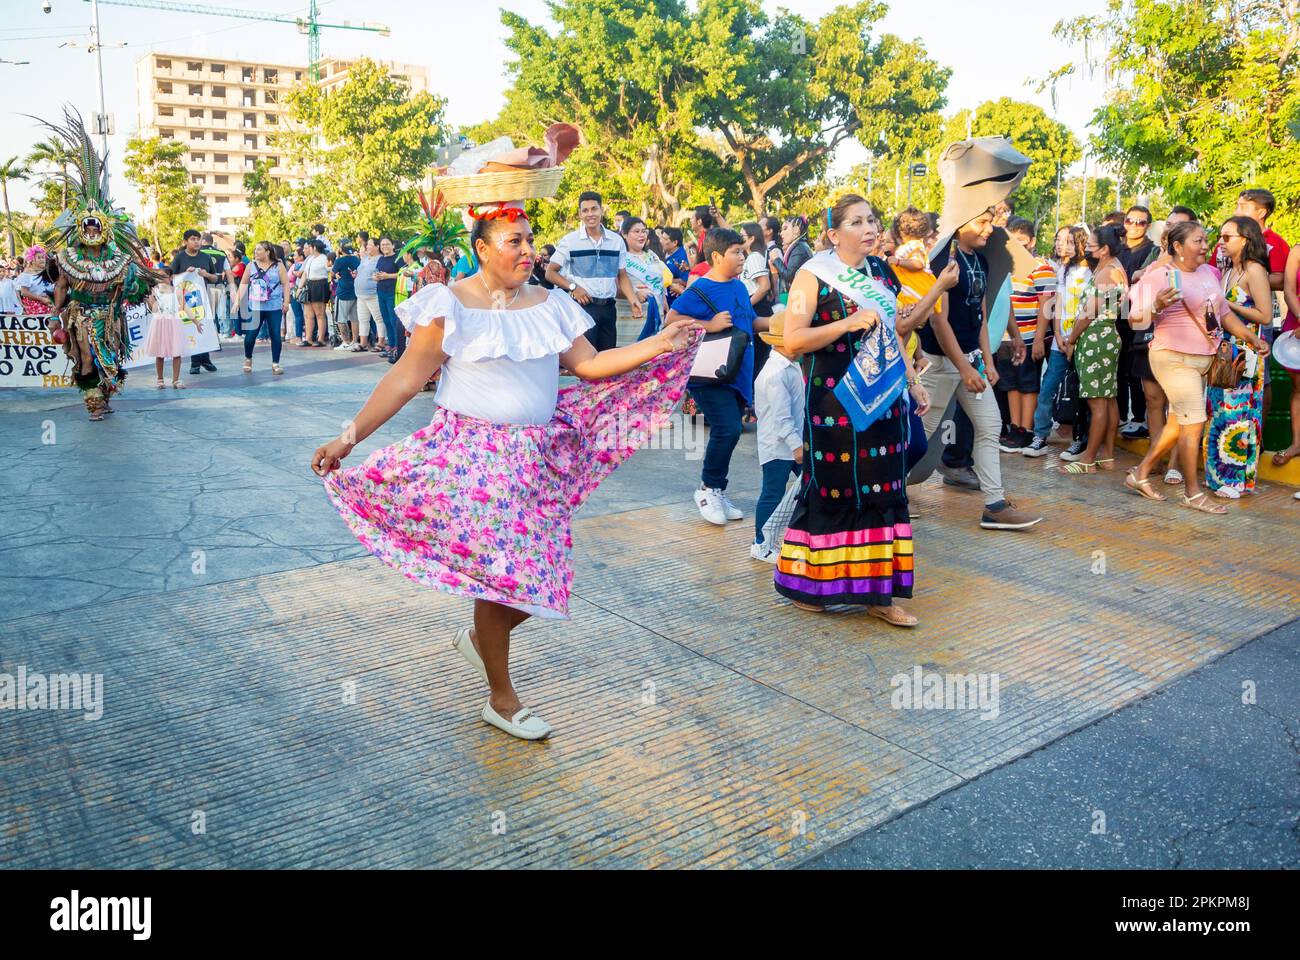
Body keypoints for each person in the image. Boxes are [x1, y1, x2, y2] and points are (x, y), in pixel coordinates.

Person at [311, 199, 697, 741]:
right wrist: (348, 438)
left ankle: (480, 640)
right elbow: (403, 379)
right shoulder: (451, 305)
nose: (527, 250)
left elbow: (589, 366)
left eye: (529, 239)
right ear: (482, 248)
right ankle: (501, 696)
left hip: (537, 460)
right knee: (505, 581)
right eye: (513, 241)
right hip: (472, 460)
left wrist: (659, 341)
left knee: (542, 580)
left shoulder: (552, 303)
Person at [777, 195, 940, 627]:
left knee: (884, 490)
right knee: (834, 488)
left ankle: (880, 596)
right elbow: (792, 341)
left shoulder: (881, 272)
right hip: (833, 404)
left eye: (871, 220)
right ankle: (812, 587)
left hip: (883, 402)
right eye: (856, 222)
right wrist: (846, 324)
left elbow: (894, 333)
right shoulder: (811, 276)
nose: (869, 228)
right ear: (833, 233)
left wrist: (912, 381)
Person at [1125, 221, 1270, 513]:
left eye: (1206, 240)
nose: (1206, 246)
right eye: (1197, 241)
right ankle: (1192, 493)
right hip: (1173, 358)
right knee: (1194, 424)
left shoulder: (1208, 273)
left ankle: (1140, 474)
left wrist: (1251, 337)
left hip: (1203, 358)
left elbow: (1224, 314)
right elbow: (1134, 320)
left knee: (1179, 422)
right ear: (1178, 247)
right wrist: (1156, 307)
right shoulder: (1159, 276)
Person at [917, 207, 1043, 530]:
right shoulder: (941, 260)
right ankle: (887, 496)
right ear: (961, 222)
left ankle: (995, 505)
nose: (990, 229)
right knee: (920, 435)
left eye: (991, 222)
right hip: (939, 364)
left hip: (970, 363)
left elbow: (982, 316)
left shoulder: (981, 261)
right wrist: (965, 367)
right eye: (983, 222)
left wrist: (986, 362)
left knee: (989, 425)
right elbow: (938, 321)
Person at [664, 228, 756, 524]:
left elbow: (751, 323)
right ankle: (707, 489)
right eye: (736, 252)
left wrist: (784, 322)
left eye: (742, 251)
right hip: (711, 375)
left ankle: (716, 488)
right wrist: (709, 323)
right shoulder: (700, 289)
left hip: (738, 373)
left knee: (729, 432)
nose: (742, 256)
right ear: (717, 256)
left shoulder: (739, 287)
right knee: (727, 429)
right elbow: (671, 320)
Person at [1205, 217, 1273, 497]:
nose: (1221, 242)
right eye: (1220, 236)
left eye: (1227, 236)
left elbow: (1265, 315)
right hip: (1225, 349)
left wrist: (1227, 303)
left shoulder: (1254, 270)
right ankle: (1220, 475)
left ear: (1245, 239)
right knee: (1220, 412)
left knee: (1240, 413)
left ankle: (1237, 480)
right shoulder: (1229, 269)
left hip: (1246, 350)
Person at [1058, 224, 1126, 475]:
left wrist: (1072, 339)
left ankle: (1088, 458)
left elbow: (1088, 313)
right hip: (1107, 336)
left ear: (1105, 249)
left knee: (1097, 403)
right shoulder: (1117, 267)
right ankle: (1106, 455)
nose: (1086, 248)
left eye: (1091, 245)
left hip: (1096, 338)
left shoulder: (1106, 273)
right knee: (1108, 399)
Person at [546, 191, 642, 350]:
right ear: (580, 214)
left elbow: (622, 276)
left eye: (594, 209)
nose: (590, 214)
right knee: (587, 362)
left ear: (601, 210)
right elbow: (550, 272)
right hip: (583, 307)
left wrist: (633, 300)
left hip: (609, 309)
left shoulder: (616, 241)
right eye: (585, 210)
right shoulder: (570, 241)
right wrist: (573, 287)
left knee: (608, 360)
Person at [1025, 226, 1090, 458]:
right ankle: (1040, 436)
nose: (1065, 246)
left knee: (1081, 393)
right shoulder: (1061, 269)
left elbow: (1090, 309)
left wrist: (1073, 339)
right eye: (1062, 241)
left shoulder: (1091, 272)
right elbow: (1057, 304)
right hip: (1060, 342)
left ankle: (1080, 440)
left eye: (1071, 242)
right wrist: (1060, 336)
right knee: (1048, 386)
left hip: (1083, 341)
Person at [750, 308, 804, 563]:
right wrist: (797, 446)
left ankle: (781, 539)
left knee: (804, 488)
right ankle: (761, 544)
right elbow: (782, 418)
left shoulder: (788, 367)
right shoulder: (776, 374)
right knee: (772, 492)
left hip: (790, 442)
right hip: (779, 446)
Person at [1001, 218, 1056, 452]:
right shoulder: (1006, 267)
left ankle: (1027, 429)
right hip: (1008, 337)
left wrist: (1038, 339)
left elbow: (1047, 305)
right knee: (1011, 383)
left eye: (1022, 242)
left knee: (1028, 384)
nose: (1018, 247)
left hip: (1030, 336)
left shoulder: (1041, 267)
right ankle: (1015, 427)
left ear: (1032, 241)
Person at [1114, 206, 1156, 429]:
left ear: (1147, 226)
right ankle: (1121, 415)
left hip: (1140, 315)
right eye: (1130, 221)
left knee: (1136, 369)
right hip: (1117, 314)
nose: (1134, 226)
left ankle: (1139, 418)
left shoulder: (1153, 251)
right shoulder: (1117, 249)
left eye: (1140, 222)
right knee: (1118, 368)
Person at [236, 240, 290, 375]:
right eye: (255, 249)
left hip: (274, 306)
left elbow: (286, 284)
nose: (256, 252)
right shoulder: (251, 266)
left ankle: (275, 363)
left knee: (276, 336)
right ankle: (248, 358)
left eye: (259, 249)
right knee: (250, 337)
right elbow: (243, 284)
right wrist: (237, 302)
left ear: (268, 252)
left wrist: (286, 302)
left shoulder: (278, 266)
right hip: (256, 306)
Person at [171, 229, 220, 376]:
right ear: (185, 242)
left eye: (198, 239)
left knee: (205, 326)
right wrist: (185, 273)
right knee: (192, 327)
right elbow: (171, 277)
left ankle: (205, 359)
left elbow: (215, 278)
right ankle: (195, 363)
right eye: (193, 239)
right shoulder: (180, 258)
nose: (196, 242)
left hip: (203, 297)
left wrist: (206, 275)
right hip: (186, 298)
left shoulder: (206, 257)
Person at [621, 216, 668, 342]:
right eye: (636, 232)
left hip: (655, 313)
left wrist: (664, 299)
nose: (641, 235)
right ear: (624, 234)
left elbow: (659, 280)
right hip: (632, 317)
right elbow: (616, 284)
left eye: (644, 231)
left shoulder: (651, 255)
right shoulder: (621, 257)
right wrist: (635, 293)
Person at [739, 221, 773, 380]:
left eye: (742, 236)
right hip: (755, 305)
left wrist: (747, 304)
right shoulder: (750, 257)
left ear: (752, 238)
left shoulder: (754, 257)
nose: (739, 239)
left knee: (759, 355)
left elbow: (764, 286)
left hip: (757, 307)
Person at [1276, 241, 1300, 467]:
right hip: (1296, 326)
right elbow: (1289, 290)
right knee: (1298, 388)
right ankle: (1297, 443)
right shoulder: (1297, 250)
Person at [373, 237, 403, 362]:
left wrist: (387, 276)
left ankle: (397, 348)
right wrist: (376, 277)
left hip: (392, 293)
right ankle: (390, 346)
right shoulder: (380, 259)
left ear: (392, 246)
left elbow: (402, 273)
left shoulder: (397, 258)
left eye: (387, 244)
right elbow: (377, 272)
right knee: (386, 321)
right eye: (382, 244)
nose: (384, 246)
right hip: (381, 292)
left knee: (393, 321)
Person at [301, 238, 331, 347]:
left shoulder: (323, 258)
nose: (308, 249)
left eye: (310, 247)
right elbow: (305, 274)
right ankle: (308, 338)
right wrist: (300, 288)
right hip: (309, 285)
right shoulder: (310, 259)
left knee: (319, 313)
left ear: (314, 248)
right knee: (308, 314)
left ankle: (321, 338)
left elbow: (329, 268)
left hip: (320, 284)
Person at [353, 238, 382, 353]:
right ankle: (363, 343)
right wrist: (356, 274)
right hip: (360, 295)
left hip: (372, 294)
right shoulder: (365, 258)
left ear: (376, 247)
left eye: (370, 245)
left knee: (378, 319)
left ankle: (381, 343)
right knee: (363, 319)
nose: (367, 247)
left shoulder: (380, 259)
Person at [332, 242, 360, 351]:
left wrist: (337, 256)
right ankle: (354, 341)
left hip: (343, 292)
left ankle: (346, 342)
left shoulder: (339, 260)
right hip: (355, 291)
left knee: (340, 319)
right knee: (354, 319)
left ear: (341, 249)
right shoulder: (356, 259)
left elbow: (333, 273)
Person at [775, 216, 813, 291]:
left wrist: (776, 259)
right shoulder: (800, 246)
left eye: (785, 229)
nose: (781, 233)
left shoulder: (799, 248)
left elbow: (789, 276)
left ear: (796, 230)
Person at [16, 245, 55, 315]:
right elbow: (24, 292)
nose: (42, 259)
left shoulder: (47, 272)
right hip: (35, 305)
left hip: (49, 302)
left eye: (43, 257)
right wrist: (42, 299)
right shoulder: (26, 274)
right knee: (45, 323)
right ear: (32, 260)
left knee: (56, 321)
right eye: (39, 258)